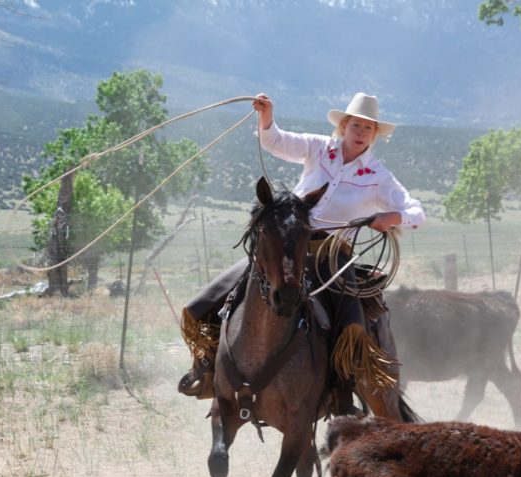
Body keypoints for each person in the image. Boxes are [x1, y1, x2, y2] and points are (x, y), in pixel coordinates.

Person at [178, 91, 425, 407]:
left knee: (352, 327)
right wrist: (267, 116)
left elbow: (416, 211)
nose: (361, 133)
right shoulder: (318, 147)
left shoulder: (378, 175)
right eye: (356, 126)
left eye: (368, 128)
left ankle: (341, 388)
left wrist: (393, 216)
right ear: (344, 126)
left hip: (334, 257)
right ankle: (210, 366)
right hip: (288, 246)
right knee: (211, 300)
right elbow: (276, 141)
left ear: (374, 134)